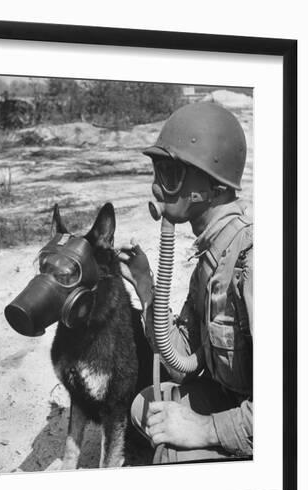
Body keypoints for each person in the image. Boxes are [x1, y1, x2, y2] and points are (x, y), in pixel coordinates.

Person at [119, 102, 253, 461]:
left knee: (173, 452)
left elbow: (293, 406)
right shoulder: (212, 260)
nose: (158, 187)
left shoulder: (251, 261)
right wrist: (147, 288)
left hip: (263, 423)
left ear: (211, 185)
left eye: (170, 173)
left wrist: (203, 429)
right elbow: (180, 358)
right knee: (145, 406)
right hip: (230, 398)